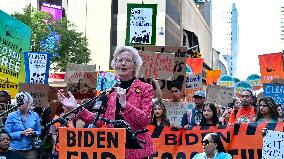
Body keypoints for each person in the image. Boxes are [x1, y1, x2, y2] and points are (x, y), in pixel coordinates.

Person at [57, 46, 155, 159]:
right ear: (115, 64)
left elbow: (144, 120)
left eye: (128, 60)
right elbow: (98, 121)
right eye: (119, 60)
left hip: (136, 150)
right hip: (113, 149)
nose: (123, 63)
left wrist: (125, 104)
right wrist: (77, 107)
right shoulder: (110, 91)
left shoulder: (145, 88)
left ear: (135, 66)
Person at [5, 92, 41, 159]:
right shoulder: (11, 115)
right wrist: (22, 133)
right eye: (17, 101)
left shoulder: (35, 115)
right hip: (15, 149)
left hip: (31, 149)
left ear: (28, 102)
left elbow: (39, 132)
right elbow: (7, 134)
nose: (19, 103)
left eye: (21, 101)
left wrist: (33, 133)